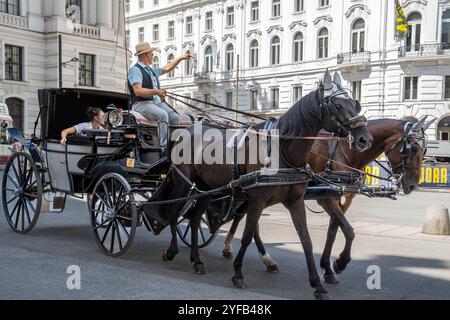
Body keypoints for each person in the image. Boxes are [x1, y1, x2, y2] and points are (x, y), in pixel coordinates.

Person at [128, 42, 192, 152]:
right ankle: (164, 149)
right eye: (152, 54)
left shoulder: (150, 70)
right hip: (141, 104)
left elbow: (167, 68)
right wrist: (157, 92)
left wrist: (180, 58)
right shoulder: (135, 70)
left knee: (175, 117)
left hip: (156, 103)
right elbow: (138, 91)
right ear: (146, 54)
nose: (153, 56)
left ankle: (176, 148)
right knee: (162, 115)